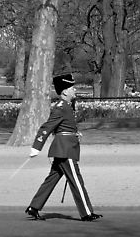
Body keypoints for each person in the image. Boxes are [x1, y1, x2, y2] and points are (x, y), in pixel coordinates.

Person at [25, 73, 103, 222]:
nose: (74, 90)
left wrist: (75, 133)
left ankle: (34, 207)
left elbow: (63, 128)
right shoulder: (61, 107)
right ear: (65, 91)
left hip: (64, 147)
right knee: (76, 180)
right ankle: (86, 213)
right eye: (72, 88)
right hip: (65, 150)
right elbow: (46, 127)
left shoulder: (66, 106)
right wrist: (37, 147)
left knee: (52, 179)